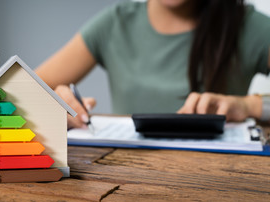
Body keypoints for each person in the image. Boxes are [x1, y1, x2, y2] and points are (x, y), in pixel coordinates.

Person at [35, 0, 270, 129]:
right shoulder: (114, 23)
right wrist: (52, 105)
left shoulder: (250, 27)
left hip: (220, 184)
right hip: (127, 180)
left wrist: (251, 106)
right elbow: (13, 93)